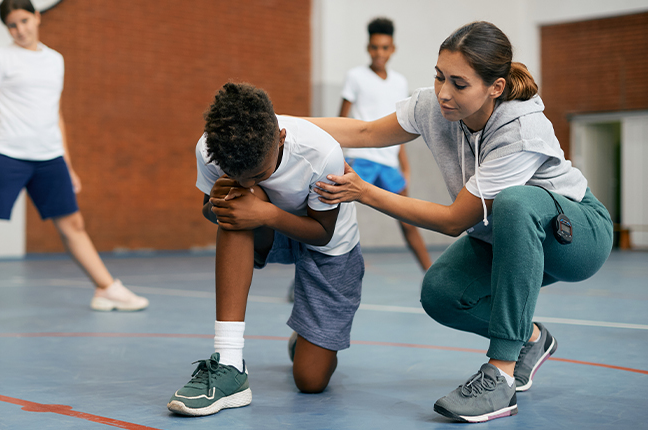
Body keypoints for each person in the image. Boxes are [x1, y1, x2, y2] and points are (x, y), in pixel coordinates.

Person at [309, 21, 612, 423]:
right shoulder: (433, 107)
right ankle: (532, 340)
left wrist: (365, 192)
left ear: (496, 87)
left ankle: (501, 375)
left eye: (458, 83)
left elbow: (454, 221)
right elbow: (363, 130)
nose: (443, 93)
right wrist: (282, 124)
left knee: (516, 202)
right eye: (438, 77)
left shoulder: (520, 128)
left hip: (577, 235)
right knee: (441, 292)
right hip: (504, 235)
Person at [0, 0, 148, 324]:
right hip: (6, 153)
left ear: (37, 17)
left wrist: (68, 163)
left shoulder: (55, 60)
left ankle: (106, 289)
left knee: (73, 225)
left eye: (24, 21)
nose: (20, 29)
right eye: (12, 25)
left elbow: (55, 113)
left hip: (49, 157)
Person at [167, 82, 363, 416]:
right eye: (237, 175)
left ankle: (304, 341)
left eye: (258, 174)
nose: (248, 184)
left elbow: (322, 233)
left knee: (310, 381)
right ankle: (229, 361)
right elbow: (207, 208)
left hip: (327, 243)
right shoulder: (213, 147)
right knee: (234, 203)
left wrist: (266, 213)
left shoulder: (321, 152)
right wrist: (220, 206)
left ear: (281, 138)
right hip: (267, 228)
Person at [340, 17, 431, 271]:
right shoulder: (355, 77)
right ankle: (303, 281)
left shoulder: (400, 83)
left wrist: (405, 166)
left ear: (393, 49)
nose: (379, 52)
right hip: (359, 160)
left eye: (384, 47)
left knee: (408, 220)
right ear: (368, 48)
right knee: (332, 219)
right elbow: (340, 120)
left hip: (388, 164)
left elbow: (398, 128)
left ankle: (432, 275)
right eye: (374, 47)